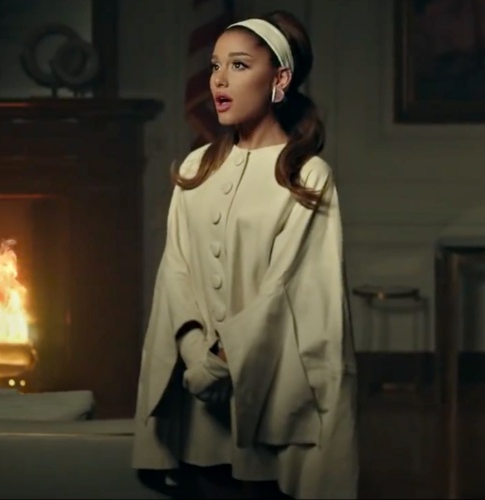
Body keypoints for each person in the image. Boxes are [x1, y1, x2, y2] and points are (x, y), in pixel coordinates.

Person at [132, 9, 358, 500]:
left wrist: (220, 363)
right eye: (215, 66)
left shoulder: (306, 176)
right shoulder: (196, 167)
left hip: (268, 395)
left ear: (280, 79)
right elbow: (176, 270)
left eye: (238, 65)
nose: (219, 80)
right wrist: (194, 352)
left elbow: (287, 289)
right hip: (193, 396)